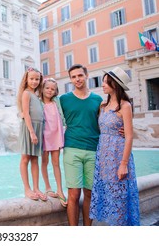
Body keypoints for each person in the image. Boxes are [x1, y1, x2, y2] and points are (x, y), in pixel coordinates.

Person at [89, 67, 140, 225]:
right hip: (104, 157)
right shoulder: (103, 105)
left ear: (115, 84)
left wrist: (123, 164)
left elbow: (129, 136)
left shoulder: (125, 106)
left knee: (119, 197)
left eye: (106, 82)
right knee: (108, 195)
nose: (102, 84)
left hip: (118, 156)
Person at [60, 64, 103, 226]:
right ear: (70, 79)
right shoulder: (64, 100)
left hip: (93, 150)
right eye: (73, 77)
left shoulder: (97, 100)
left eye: (80, 75)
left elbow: (103, 123)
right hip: (72, 149)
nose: (77, 79)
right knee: (74, 194)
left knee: (90, 193)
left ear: (86, 76)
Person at [17, 67, 47, 201]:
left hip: (38, 127)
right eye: (32, 79)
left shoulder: (37, 95)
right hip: (30, 128)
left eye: (37, 79)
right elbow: (26, 114)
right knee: (25, 158)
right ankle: (27, 188)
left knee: (35, 159)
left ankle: (36, 187)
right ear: (26, 79)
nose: (34, 81)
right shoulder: (26, 93)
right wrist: (32, 132)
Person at [39, 78, 67, 207]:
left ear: (56, 91)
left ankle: (60, 189)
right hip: (44, 135)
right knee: (44, 162)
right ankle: (48, 187)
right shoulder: (38, 102)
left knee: (56, 163)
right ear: (42, 89)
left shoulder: (57, 101)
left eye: (53, 89)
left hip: (55, 134)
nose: (50, 91)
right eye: (47, 88)